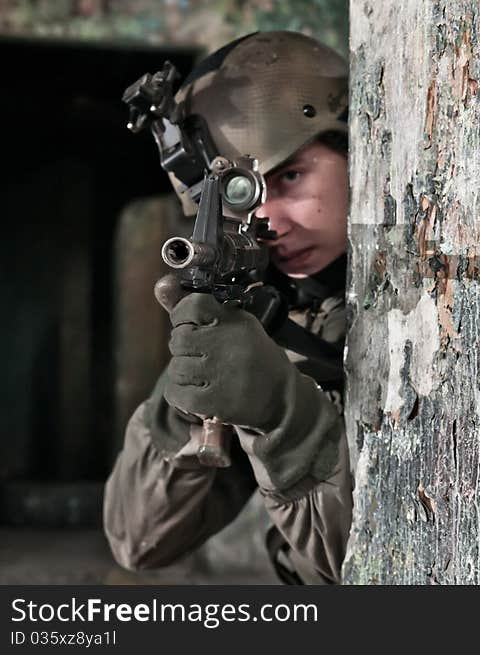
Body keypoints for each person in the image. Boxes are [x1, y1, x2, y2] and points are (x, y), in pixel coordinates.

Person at [104, 31, 353, 585]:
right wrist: (191, 389)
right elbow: (137, 540)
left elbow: (374, 561)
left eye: (291, 176)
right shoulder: (272, 319)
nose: (272, 223)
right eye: (242, 200)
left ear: (352, 150)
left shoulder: (419, 307)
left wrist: (283, 415)